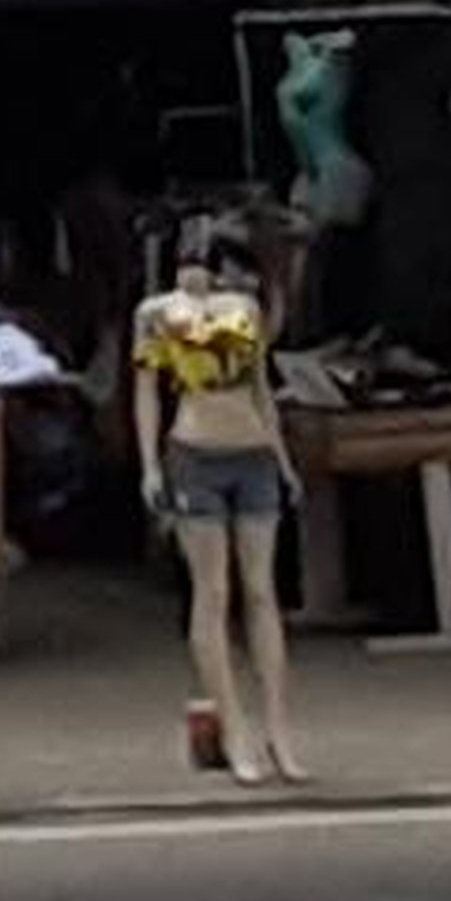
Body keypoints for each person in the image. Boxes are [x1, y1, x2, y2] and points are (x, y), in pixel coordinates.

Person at [130, 226, 306, 786]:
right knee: (214, 592)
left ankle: (278, 727)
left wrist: (282, 460)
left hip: (250, 449)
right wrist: (151, 466)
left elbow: (259, 387)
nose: (196, 272)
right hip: (195, 451)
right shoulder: (157, 313)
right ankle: (234, 728)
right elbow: (146, 392)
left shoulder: (243, 308)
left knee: (260, 590)